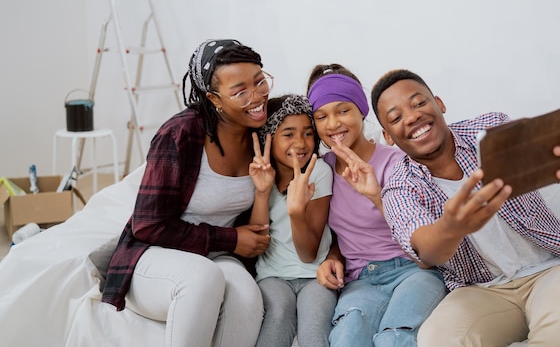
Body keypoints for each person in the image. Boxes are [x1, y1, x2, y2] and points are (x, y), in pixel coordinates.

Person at [368, 68, 560, 347]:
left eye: (419, 103)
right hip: (482, 292)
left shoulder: (491, 130)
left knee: (558, 336)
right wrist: (452, 227)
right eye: (396, 117)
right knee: (436, 340)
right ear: (388, 136)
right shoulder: (399, 189)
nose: (413, 116)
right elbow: (426, 251)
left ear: (439, 103)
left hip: (553, 271)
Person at [101, 39, 274, 347]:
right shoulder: (180, 134)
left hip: (218, 258)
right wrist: (231, 239)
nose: (257, 96)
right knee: (202, 278)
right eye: (240, 91)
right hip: (154, 257)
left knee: (248, 299)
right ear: (213, 98)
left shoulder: (262, 133)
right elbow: (148, 225)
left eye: (260, 81)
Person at [307, 64, 447, 347]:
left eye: (343, 110)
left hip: (414, 270)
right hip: (361, 279)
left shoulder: (397, 162)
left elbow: (424, 232)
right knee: (346, 338)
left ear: (362, 110)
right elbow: (339, 233)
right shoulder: (321, 172)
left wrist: (376, 195)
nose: (333, 124)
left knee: (394, 338)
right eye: (321, 116)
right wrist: (333, 256)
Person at [248, 93, 337, 347]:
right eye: (288, 134)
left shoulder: (318, 172)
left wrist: (296, 209)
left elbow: (309, 254)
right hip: (273, 276)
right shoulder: (259, 174)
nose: (300, 143)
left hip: (315, 275)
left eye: (308, 133)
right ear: (269, 138)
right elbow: (258, 241)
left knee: (313, 326)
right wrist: (262, 191)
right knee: (277, 315)